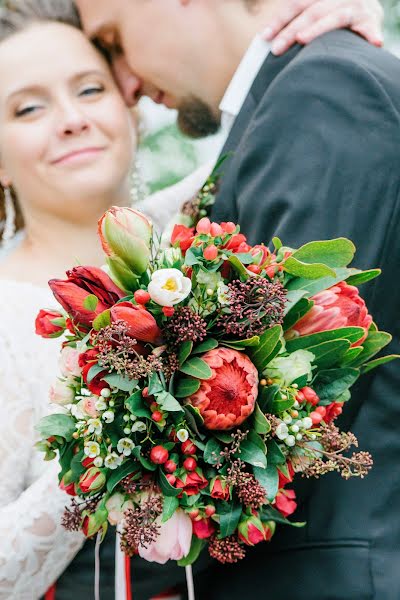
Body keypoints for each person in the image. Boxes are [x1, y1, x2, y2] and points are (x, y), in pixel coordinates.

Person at [0, 1, 375, 598]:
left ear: (132, 102)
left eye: (92, 87)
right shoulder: (5, 316)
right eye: (28, 107)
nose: (70, 119)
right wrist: (103, 447)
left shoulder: (206, 216)